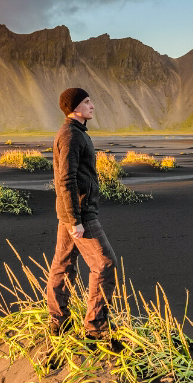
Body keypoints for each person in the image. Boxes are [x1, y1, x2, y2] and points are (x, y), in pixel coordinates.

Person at [46, 87, 119, 341]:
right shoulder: (71, 135)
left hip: (72, 211)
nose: (92, 106)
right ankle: (96, 328)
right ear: (75, 108)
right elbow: (66, 179)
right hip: (80, 213)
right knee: (105, 264)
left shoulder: (74, 133)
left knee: (63, 265)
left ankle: (58, 323)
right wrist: (75, 220)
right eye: (87, 102)